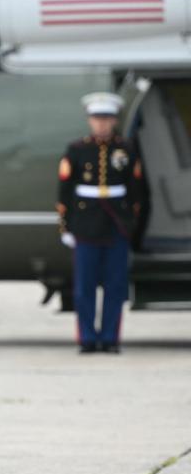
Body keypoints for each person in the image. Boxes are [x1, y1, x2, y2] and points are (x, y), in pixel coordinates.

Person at [56, 92, 145, 354]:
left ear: (114, 121)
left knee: (115, 285)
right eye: (97, 118)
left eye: (107, 118)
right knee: (84, 286)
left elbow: (136, 190)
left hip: (116, 223)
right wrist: (66, 227)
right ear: (90, 120)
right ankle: (87, 338)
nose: (102, 123)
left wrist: (131, 225)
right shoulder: (77, 150)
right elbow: (65, 192)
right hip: (85, 224)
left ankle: (109, 338)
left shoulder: (126, 149)